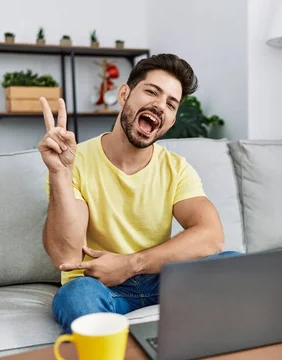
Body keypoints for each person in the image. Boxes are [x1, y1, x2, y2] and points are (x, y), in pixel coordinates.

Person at [39, 53, 239, 333]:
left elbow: (211, 235)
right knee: (76, 296)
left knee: (234, 266)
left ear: (170, 121)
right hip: (100, 285)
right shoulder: (74, 161)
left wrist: (132, 264)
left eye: (171, 104)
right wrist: (60, 173)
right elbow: (66, 254)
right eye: (151, 92)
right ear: (124, 94)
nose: (159, 106)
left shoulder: (176, 169)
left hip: (158, 277)